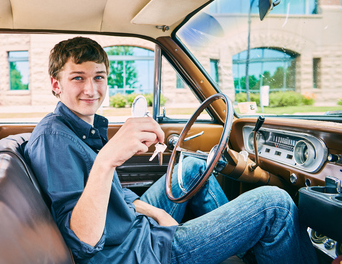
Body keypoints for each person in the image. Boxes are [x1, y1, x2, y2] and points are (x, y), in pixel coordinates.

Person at [24, 36, 317, 264]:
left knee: (193, 167)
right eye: (78, 78)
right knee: (274, 205)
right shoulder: (54, 138)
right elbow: (83, 241)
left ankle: (244, 244)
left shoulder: (80, 128)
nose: (91, 89)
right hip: (135, 254)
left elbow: (116, 197)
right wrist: (107, 160)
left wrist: (157, 214)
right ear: (56, 85)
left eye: (98, 77)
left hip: (135, 229)